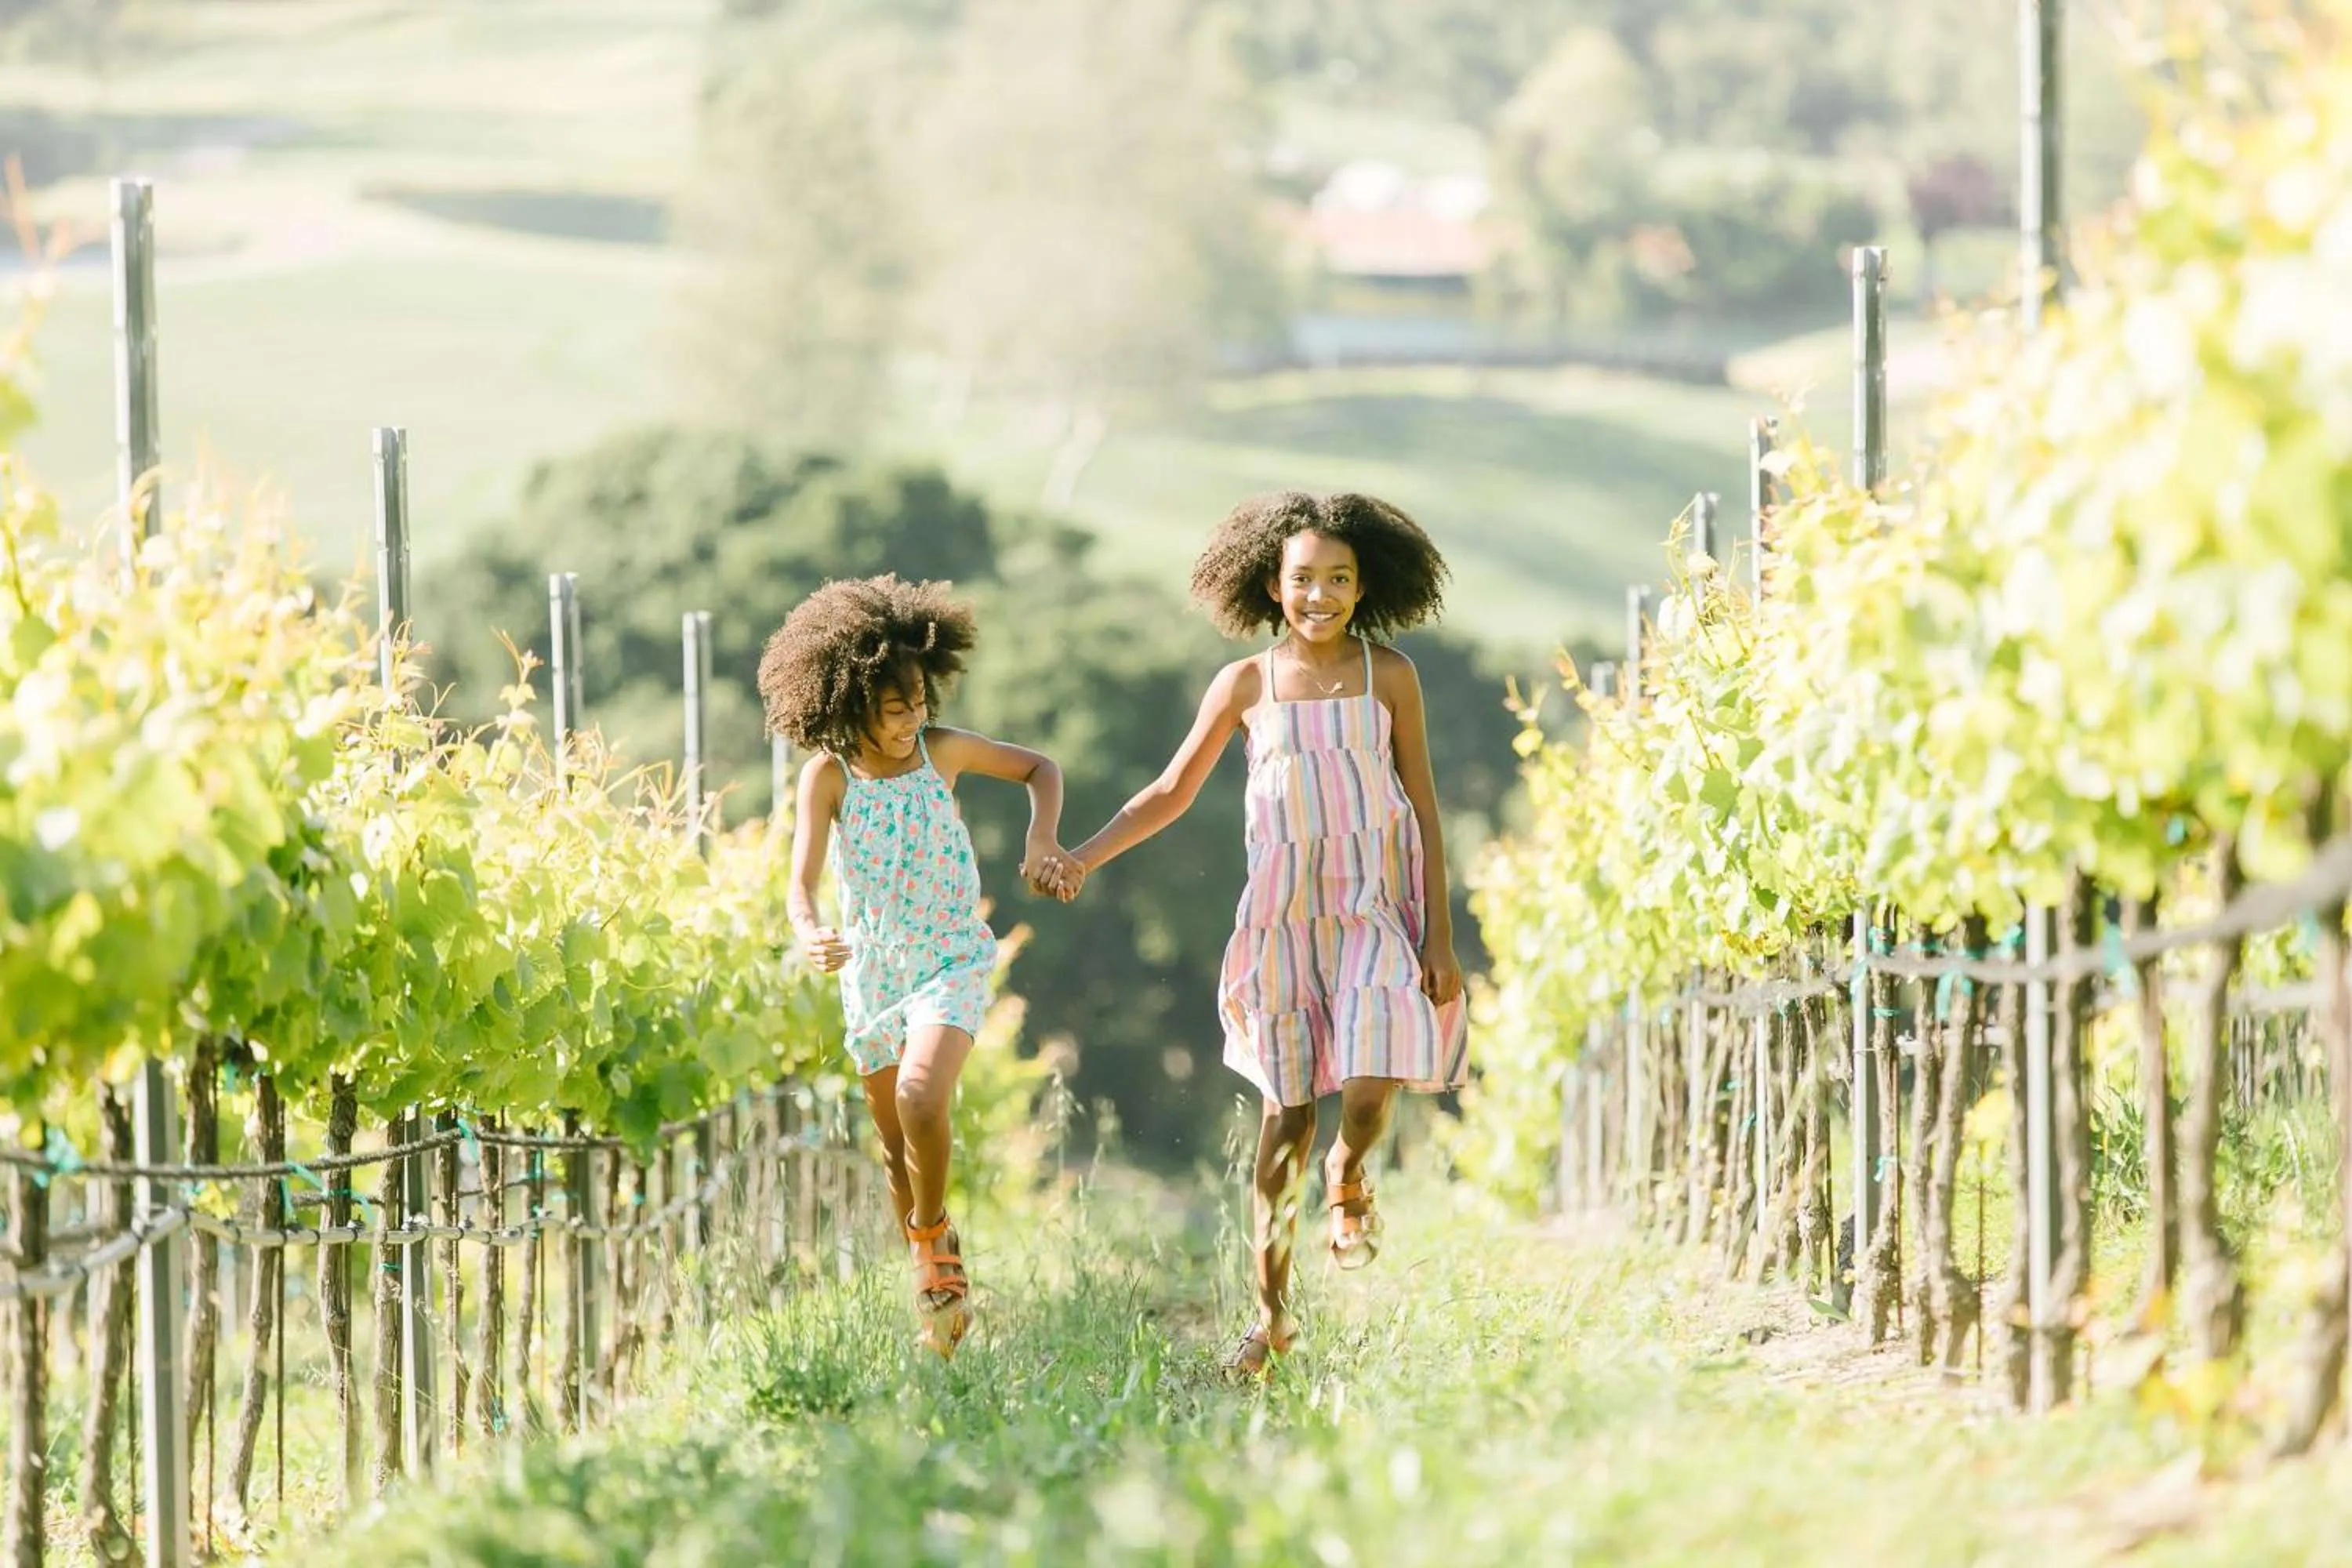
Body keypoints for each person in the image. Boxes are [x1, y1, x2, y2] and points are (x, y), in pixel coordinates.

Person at [1068, 492, 1468, 1377]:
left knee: (1369, 1085)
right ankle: (1272, 1316)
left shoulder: (1390, 676)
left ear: (1365, 587)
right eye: (1304, 579)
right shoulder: (1246, 684)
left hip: (1373, 908)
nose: (1320, 595)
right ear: (1271, 586)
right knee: (1287, 1118)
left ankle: (1348, 1171)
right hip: (1282, 918)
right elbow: (1170, 792)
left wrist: (1439, 937)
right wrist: (1083, 856)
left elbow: (1425, 807)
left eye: (1339, 579)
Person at [761, 574, 1082, 1358]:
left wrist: (1041, 837)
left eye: (918, 702)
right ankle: (935, 1288)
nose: (911, 720)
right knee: (894, 1145)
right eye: (893, 707)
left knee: (919, 1096)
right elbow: (802, 882)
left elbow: (1040, 769)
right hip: (873, 973)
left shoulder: (943, 752)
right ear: (849, 703)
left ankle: (933, 1238)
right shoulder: (828, 776)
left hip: (948, 959)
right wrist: (809, 929)